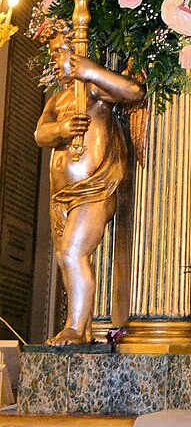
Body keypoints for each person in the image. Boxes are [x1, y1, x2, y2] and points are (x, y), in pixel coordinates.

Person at [35, 27, 143, 344]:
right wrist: (62, 128)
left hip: (93, 189)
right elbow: (41, 134)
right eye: (53, 53)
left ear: (80, 52)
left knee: (73, 252)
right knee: (64, 258)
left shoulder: (93, 89)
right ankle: (80, 329)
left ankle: (73, 327)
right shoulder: (57, 99)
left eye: (60, 52)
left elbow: (133, 91)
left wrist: (91, 71)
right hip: (61, 195)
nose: (54, 60)